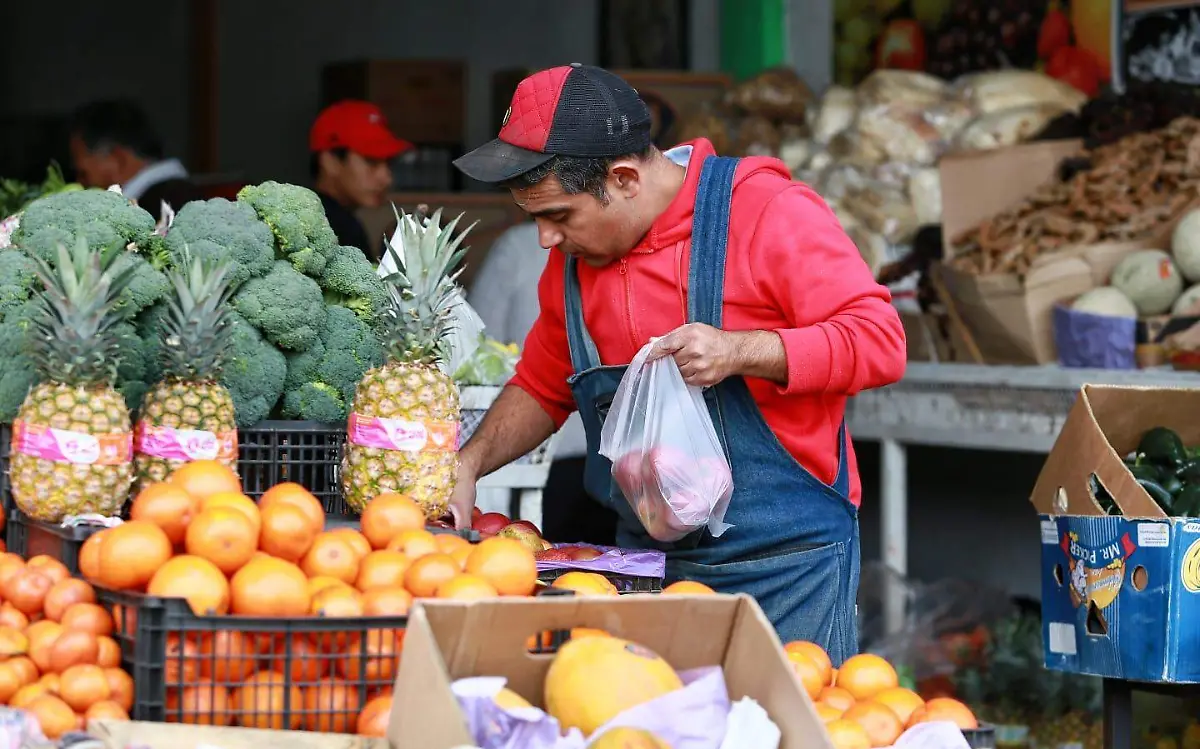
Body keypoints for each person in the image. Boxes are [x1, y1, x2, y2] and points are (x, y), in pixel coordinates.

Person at [449, 64, 907, 656]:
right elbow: (543, 384)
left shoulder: (766, 210)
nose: (545, 240)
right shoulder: (572, 265)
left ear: (623, 179)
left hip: (786, 568)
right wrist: (470, 463)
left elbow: (880, 341)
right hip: (647, 570)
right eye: (534, 218)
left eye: (559, 215)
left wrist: (742, 350)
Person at [468, 222, 615, 546]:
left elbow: (476, 341)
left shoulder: (517, 245)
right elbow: (542, 378)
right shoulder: (540, 253)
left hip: (551, 460)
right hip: (601, 463)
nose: (546, 238)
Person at [68, 99, 202, 221]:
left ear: (117, 160)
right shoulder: (186, 197)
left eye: (83, 173)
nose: (80, 183)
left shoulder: (155, 213)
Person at [309, 100, 412, 259]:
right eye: (371, 161)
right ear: (330, 161)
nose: (386, 179)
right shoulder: (333, 228)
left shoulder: (338, 221)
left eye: (388, 163)